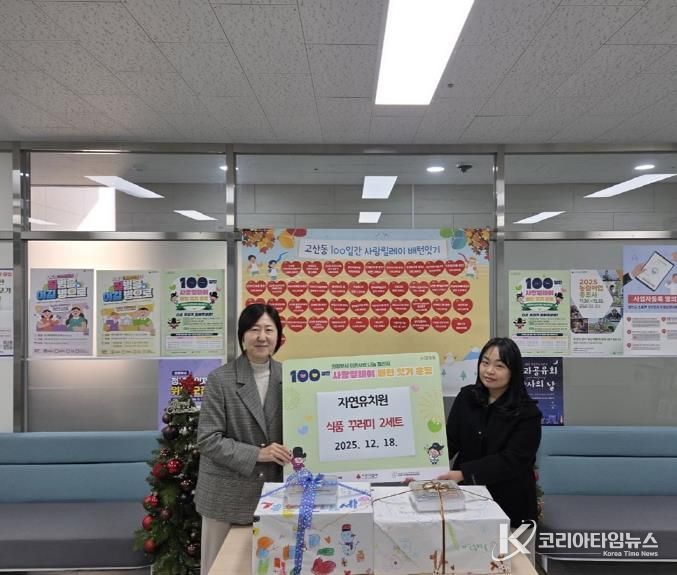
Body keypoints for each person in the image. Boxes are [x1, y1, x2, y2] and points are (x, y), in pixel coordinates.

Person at [195, 303, 292, 574]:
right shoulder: (220, 379)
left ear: (278, 336)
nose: (262, 337)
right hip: (226, 495)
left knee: (272, 565)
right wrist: (258, 454)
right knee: (220, 567)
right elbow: (208, 439)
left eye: (269, 330)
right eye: (254, 329)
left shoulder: (291, 377)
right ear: (242, 335)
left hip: (275, 493)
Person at [437, 337, 542, 551]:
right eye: (485, 363)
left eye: (499, 366)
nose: (489, 371)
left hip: (511, 504)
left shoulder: (527, 413)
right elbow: (450, 440)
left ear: (514, 372)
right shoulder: (467, 397)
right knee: (466, 558)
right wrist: (424, 466)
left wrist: (463, 473)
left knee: (513, 563)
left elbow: (512, 461)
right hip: (467, 499)